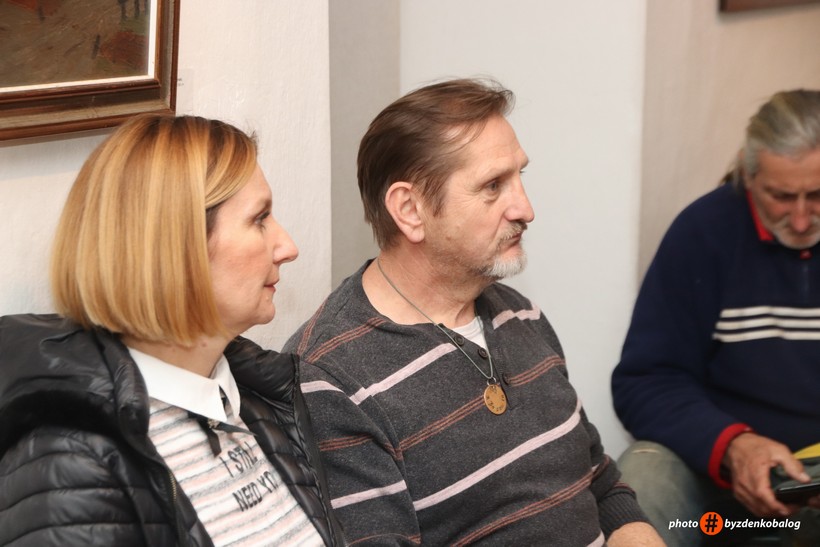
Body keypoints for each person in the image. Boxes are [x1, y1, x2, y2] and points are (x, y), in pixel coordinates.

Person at [283, 78, 662, 545]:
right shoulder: (329, 378)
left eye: (520, 177)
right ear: (410, 210)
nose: (525, 209)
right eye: (493, 186)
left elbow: (597, 480)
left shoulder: (518, 315)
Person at [0, 115, 343, 546]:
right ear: (178, 247)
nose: (287, 247)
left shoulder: (257, 396)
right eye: (259, 219)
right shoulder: (75, 470)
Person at [612, 89, 820, 546]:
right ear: (748, 174)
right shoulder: (703, 232)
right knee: (643, 480)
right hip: (721, 476)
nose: (802, 220)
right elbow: (645, 381)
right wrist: (734, 446)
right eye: (781, 196)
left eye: (818, 195)